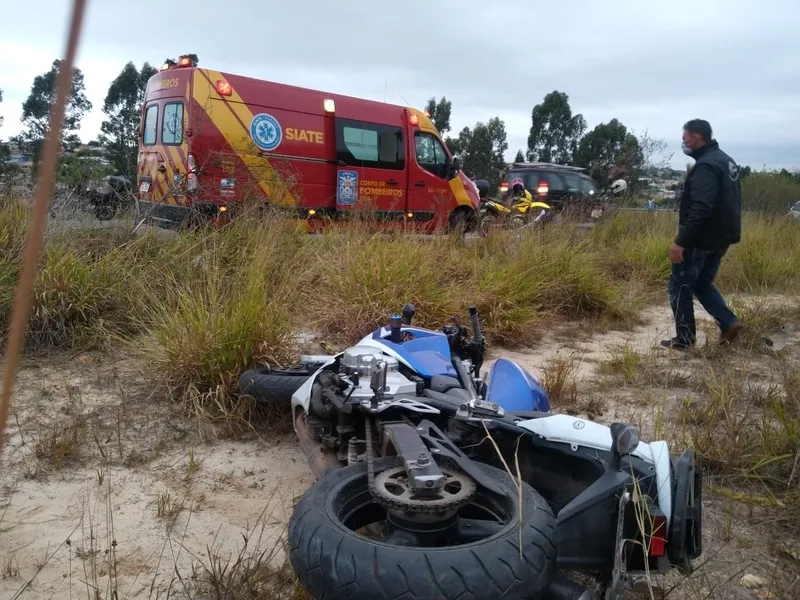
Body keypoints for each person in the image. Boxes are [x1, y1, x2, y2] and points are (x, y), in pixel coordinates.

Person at [661, 119, 743, 350]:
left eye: (685, 138)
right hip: (721, 237)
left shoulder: (706, 166)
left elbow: (701, 207)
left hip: (701, 239)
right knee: (702, 283)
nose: (684, 143)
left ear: (696, 137)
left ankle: (685, 339)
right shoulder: (726, 161)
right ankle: (729, 321)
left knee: (680, 286)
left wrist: (681, 241)